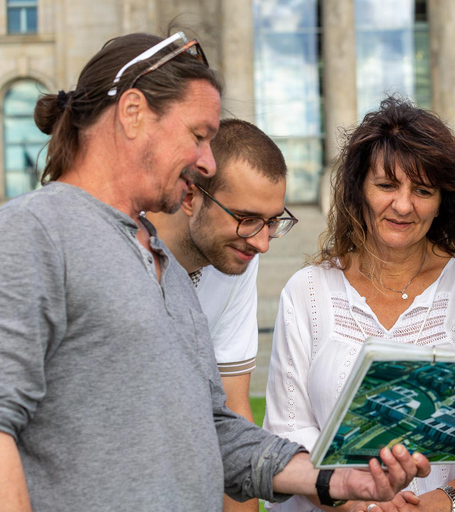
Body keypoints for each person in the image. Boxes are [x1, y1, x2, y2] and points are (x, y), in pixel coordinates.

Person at [0, 31, 428, 512]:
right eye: (198, 136)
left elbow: (216, 431)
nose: (206, 161)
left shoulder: (165, 263)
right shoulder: (32, 232)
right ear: (133, 113)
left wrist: (335, 479)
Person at [263, 96, 455, 512]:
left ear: (443, 200)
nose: (404, 206)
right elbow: (289, 428)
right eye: (387, 185)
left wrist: (444, 502)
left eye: (423, 190)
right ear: (359, 188)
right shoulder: (308, 291)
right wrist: (356, 504)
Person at [146, 118, 298, 512]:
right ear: (190, 196)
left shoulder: (237, 256)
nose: (262, 243)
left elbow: (231, 410)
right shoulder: (122, 248)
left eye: (272, 222)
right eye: (246, 219)